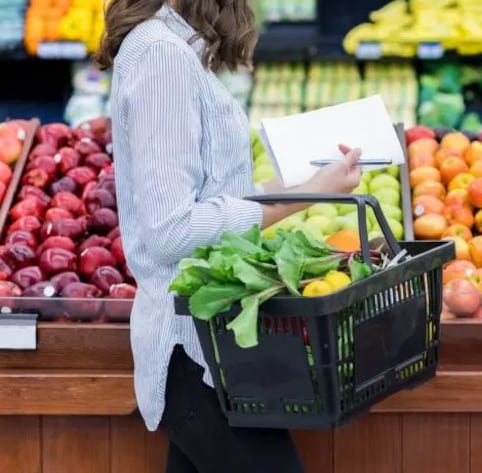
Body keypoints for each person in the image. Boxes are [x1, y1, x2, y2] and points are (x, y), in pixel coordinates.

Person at [95, 1, 362, 471]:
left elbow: (215, 197)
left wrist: (309, 186)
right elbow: (170, 229)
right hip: (193, 353)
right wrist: (304, 198)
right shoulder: (161, 55)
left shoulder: (174, 48)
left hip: (217, 347)